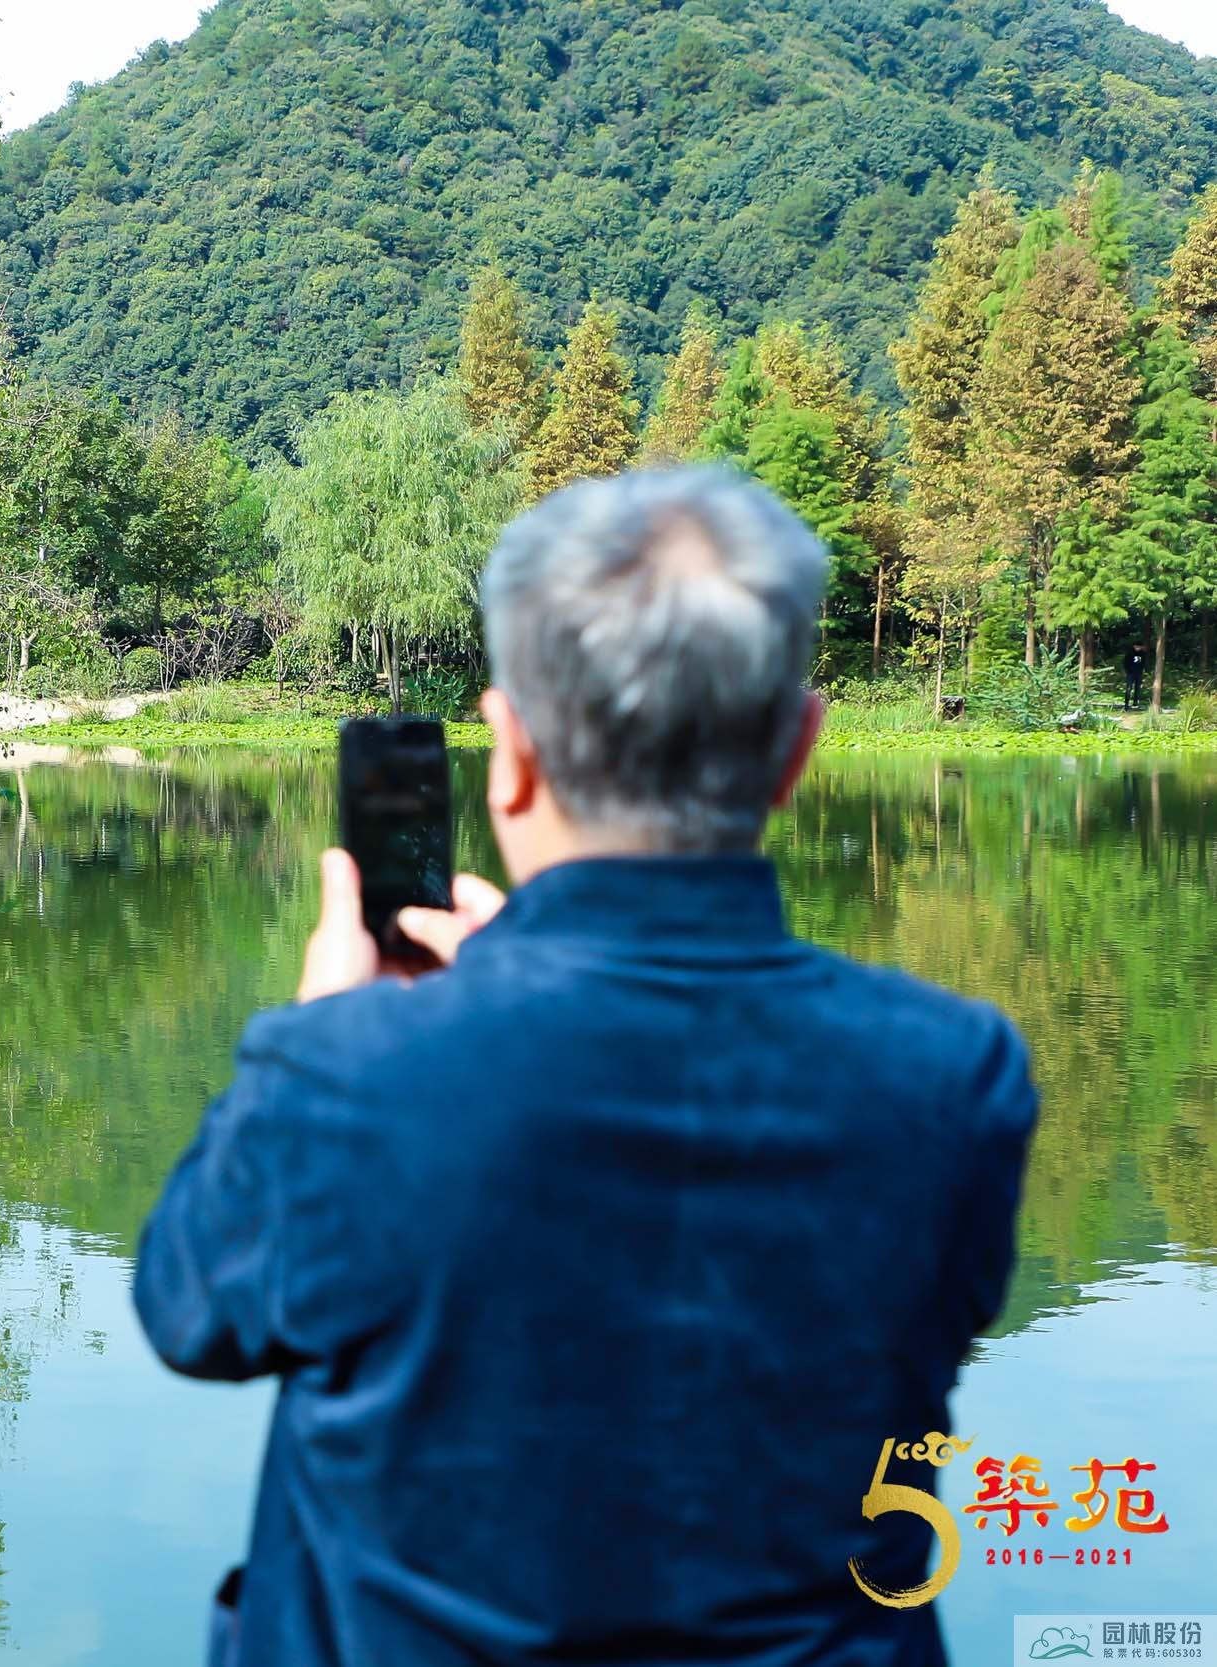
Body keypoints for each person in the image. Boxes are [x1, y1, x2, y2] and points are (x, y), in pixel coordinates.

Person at [135, 468, 1038, 1667]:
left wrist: (329, 1033)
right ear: (797, 749)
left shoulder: (350, 1076)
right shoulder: (954, 1076)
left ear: (507, 751)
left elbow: (188, 1311)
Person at [1123, 641, 1149, 711]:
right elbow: (1125, 663)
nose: (1138, 648)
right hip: (1130, 673)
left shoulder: (1142, 654)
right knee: (1129, 688)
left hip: (1139, 673)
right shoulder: (1130, 653)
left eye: (1140, 647)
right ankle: (1126, 703)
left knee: (1137, 688)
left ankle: (1135, 702)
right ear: (1134, 646)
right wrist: (1127, 671)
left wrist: (1144, 670)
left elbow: (1143, 663)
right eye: (1137, 647)